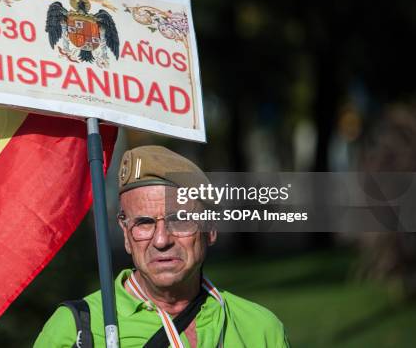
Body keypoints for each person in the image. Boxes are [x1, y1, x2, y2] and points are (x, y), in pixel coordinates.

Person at [34, 145, 290, 347]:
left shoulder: (260, 329)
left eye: (179, 219)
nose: (161, 240)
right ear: (126, 233)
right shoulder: (76, 329)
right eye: (144, 223)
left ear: (210, 228)